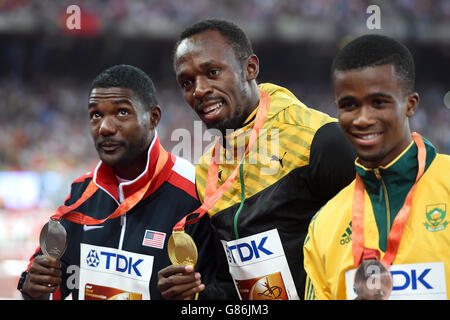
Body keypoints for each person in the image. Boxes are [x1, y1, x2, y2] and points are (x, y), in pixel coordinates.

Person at [157, 18, 356, 300]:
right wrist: (195, 296)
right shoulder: (206, 172)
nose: (198, 90)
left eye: (212, 72)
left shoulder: (317, 139)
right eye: (187, 82)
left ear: (250, 68)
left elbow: (374, 242)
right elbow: (237, 287)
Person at [17, 64, 219, 300]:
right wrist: (33, 288)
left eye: (122, 112)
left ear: (153, 118)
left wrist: (196, 298)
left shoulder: (197, 192)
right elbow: (44, 285)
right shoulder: (82, 192)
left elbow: (230, 292)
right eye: (96, 115)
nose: (105, 128)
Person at [303, 34, 450, 300]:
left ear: (410, 104)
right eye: (349, 105)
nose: (362, 119)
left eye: (379, 103)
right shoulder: (323, 225)